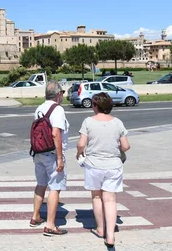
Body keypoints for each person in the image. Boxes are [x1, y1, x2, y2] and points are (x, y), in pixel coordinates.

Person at [76, 92, 130, 248]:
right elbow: (126, 146)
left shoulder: (88, 122)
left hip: (93, 164)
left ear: (96, 106)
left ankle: (100, 229)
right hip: (113, 165)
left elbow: (81, 144)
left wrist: (79, 153)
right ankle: (111, 235)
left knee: (97, 197)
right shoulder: (118, 122)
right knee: (110, 199)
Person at [30, 80, 69, 236]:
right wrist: (60, 158)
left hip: (38, 153)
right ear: (59, 94)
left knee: (41, 184)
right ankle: (51, 225)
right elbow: (55, 134)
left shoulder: (39, 108)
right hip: (51, 154)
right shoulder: (57, 110)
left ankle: (35, 217)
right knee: (55, 187)